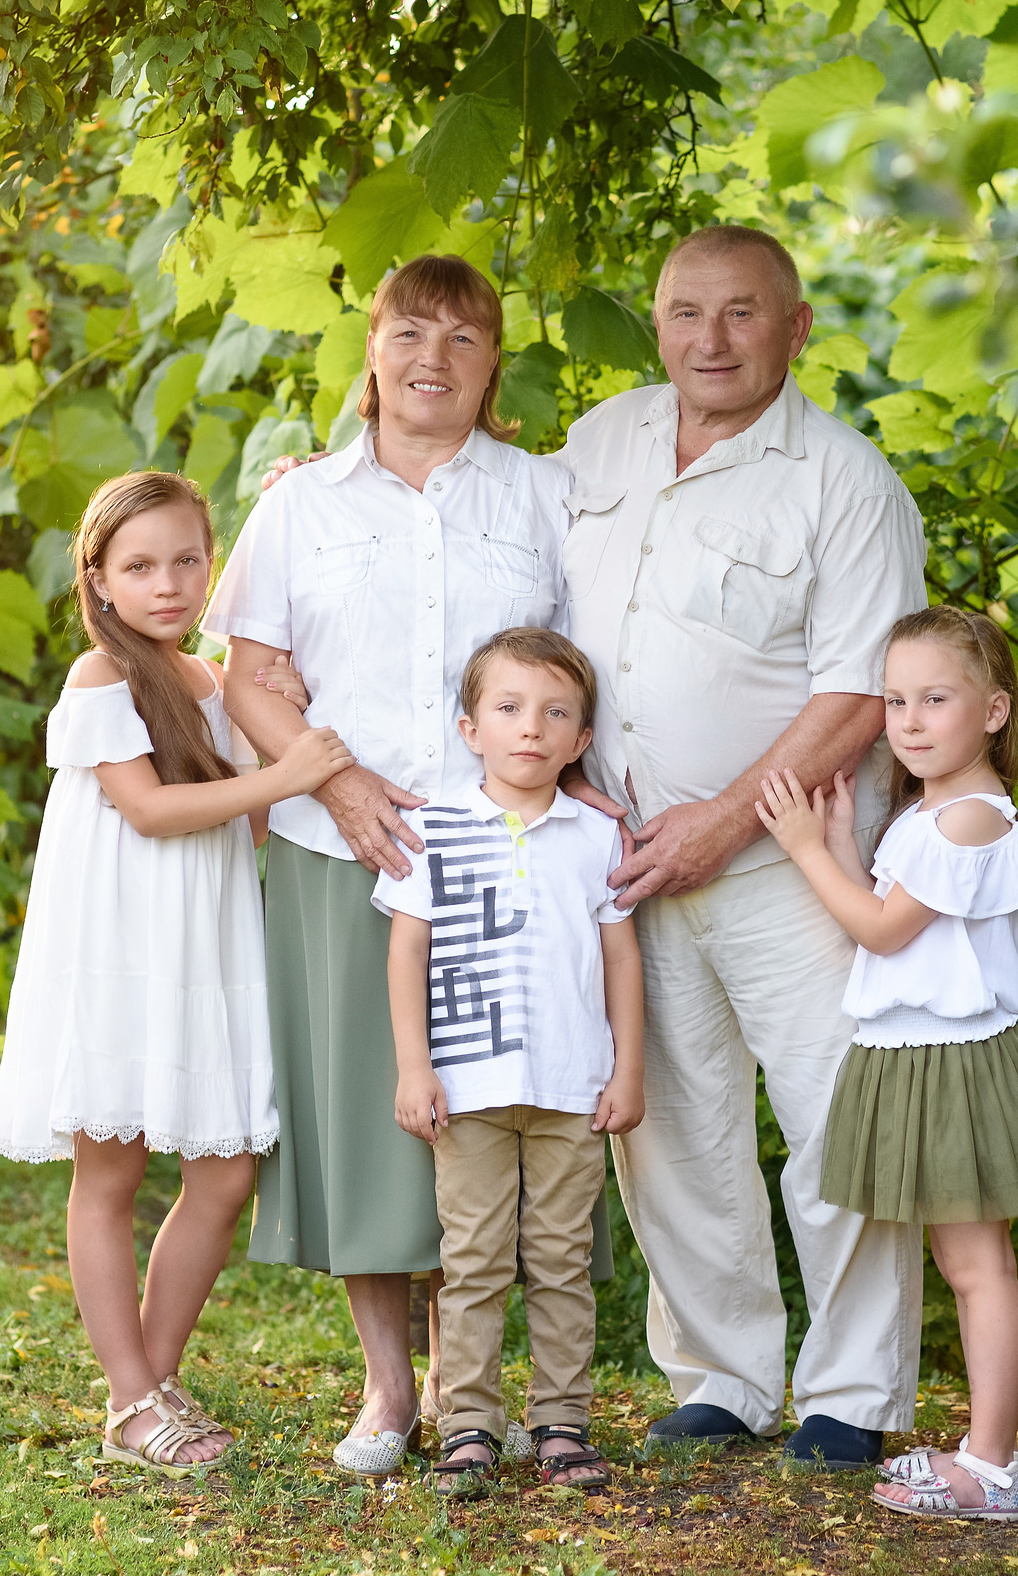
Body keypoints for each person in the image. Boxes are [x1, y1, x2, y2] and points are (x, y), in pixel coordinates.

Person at [557, 223, 929, 1467]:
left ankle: (854, 1394)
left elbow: (861, 694)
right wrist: (322, 464)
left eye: (739, 313)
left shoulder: (845, 478)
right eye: (683, 312)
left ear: (796, 324)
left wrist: (724, 820)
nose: (707, 340)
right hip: (627, 859)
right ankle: (720, 1374)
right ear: (655, 320)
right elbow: (488, 525)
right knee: (668, 1128)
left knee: (837, 1121)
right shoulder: (602, 439)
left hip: (793, 861)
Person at [209, 254, 576, 1476]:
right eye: (410, 333)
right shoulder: (299, 504)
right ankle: (388, 1389)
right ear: (370, 353)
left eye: (464, 340)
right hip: (341, 846)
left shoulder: (544, 495)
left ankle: (470, 1388)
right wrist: (337, 780)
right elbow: (248, 674)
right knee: (374, 1125)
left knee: (492, 1122)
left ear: (492, 368)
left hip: (508, 856)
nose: (434, 358)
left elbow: (587, 670)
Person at [0, 471, 355, 1476]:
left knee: (224, 1170)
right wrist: (286, 770)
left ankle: (147, 1382)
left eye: (188, 559)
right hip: (120, 944)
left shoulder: (201, 678)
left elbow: (254, 813)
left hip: (202, 941)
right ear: (98, 580)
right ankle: (136, 1395)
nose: (168, 582)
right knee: (110, 1168)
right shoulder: (99, 681)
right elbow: (149, 809)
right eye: (139, 565)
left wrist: (280, 513)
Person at [753, 605, 1018, 1522]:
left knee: (979, 1269)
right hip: (917, 1056)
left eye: (936, 697)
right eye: (896, 699)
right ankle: (983, 1451)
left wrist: (811, 850)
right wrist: (849, 846)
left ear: (996, 711)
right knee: (962, 1263)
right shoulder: (925, 815)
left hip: (959, 1061)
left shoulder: (970, 820)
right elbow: (888, 912)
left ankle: (992, 1464)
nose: (911, 719)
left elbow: (882, 931)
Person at [377, 628, 646, 1496]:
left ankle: (561, 1419)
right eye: (508, 708)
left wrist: (628, 1067)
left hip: (571, 1085)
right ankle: (469, 1424)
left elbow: (620, 958)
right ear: (470, 728)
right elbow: (406, 954)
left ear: (580, 741)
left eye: (555, 712)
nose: (530, 727)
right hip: (470, 1085)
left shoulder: (595, 836)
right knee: (476, 1258)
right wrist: (414, 1067)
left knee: (562, 1257)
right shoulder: (433, 829)